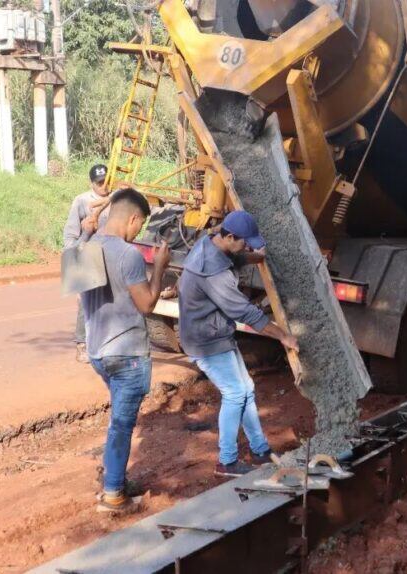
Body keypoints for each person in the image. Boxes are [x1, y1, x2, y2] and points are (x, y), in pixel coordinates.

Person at [178, 210, 299, 477]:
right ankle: (227, 462)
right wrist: (282, 336)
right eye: (244, 241)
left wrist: (255, 257)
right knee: (234, 393)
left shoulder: (213, 241)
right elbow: (244, 312)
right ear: (229, 236)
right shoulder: (211, 271)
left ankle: (259, 449)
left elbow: (234, 256)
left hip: (217, 333)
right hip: (205, 341)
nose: (246, 246)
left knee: (247, 388)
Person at [80, 187, 171, 512]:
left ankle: (113, 477)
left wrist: (85, 233)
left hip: (98, 352)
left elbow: (77, 291)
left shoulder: (88, 245)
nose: (139, 233)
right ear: (133, 218)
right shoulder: (128, 255)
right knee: (121, 423)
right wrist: (159, 267)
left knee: (118, 418)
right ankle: (114, 494)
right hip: (127, 354)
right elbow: (146, 305)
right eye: (141, 226)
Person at [64, 164, 112, 363]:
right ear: (92, 183)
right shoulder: (82, 201)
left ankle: (107, 343)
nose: (104, 186)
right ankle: (82, 345)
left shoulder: (117, 198)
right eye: (99, 183)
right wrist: (74, 260)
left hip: (111, 253)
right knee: (86, 303)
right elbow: (70, 234)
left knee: (111, 300)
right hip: (89, 253)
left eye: (106, 181)